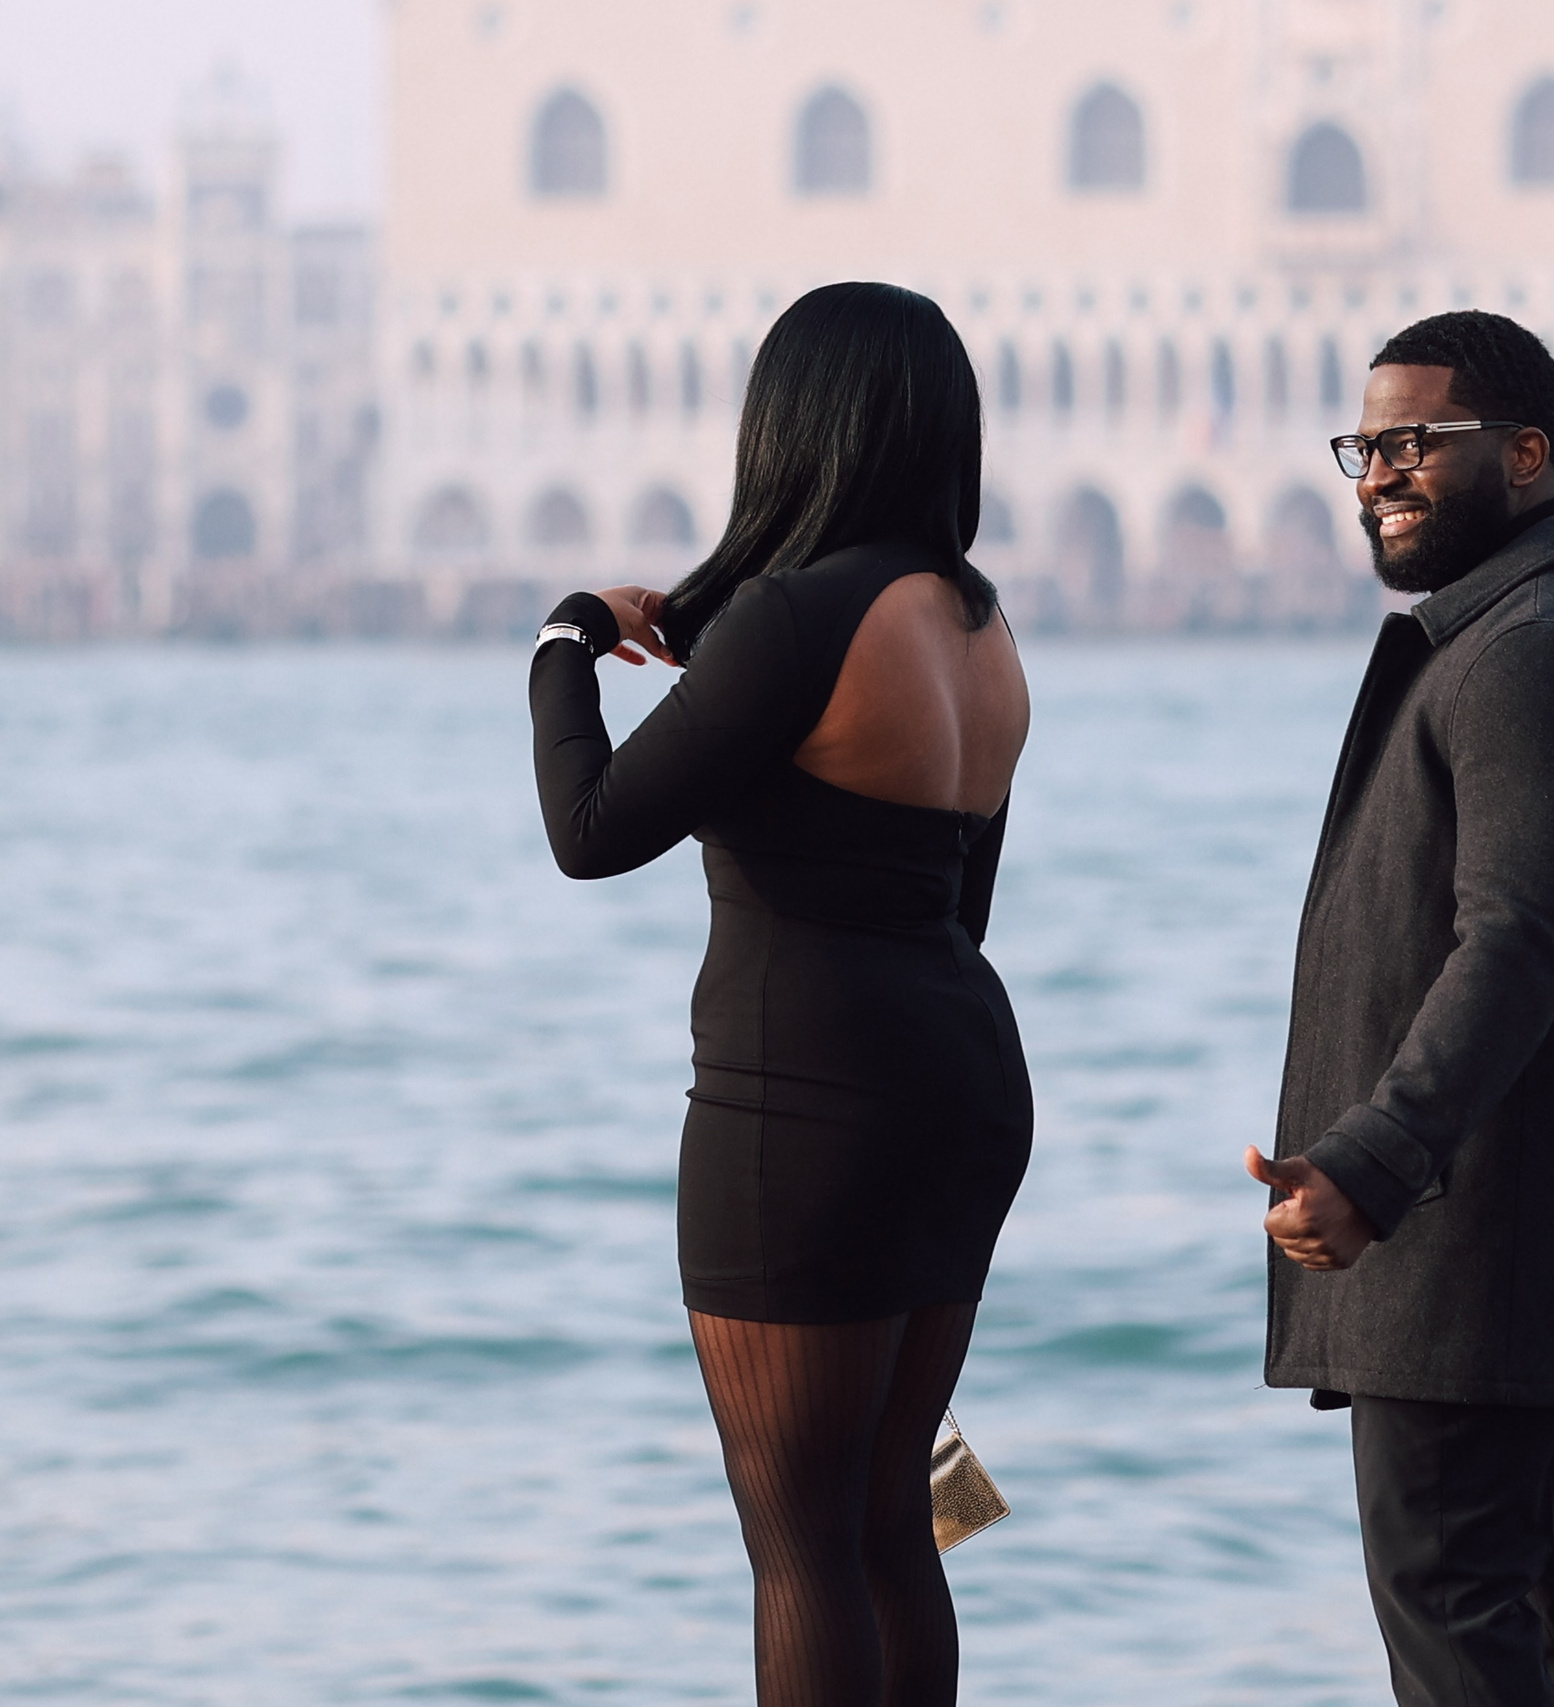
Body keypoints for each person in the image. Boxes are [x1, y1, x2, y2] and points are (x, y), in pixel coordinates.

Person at [527, 281, 1032, 1707]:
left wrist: (564, 649)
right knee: (899, 1511)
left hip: (804, 1103)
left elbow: (592, 829)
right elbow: (946, 890)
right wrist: (731, 665)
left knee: (798, 1544)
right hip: (965, 1087)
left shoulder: (792, 619)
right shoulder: (981, 629)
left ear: (793, 428)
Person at [1243, 310, 1554, 1707]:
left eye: (1416, 444)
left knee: (1463, 1623)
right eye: (1365, 445)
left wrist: (1374, 1163)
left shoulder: (1527, 651)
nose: (1379, 473)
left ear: (1526, 456)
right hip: (1533, 1248)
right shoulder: (1536, 624)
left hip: (1474, 1264)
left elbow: (1517, 942)